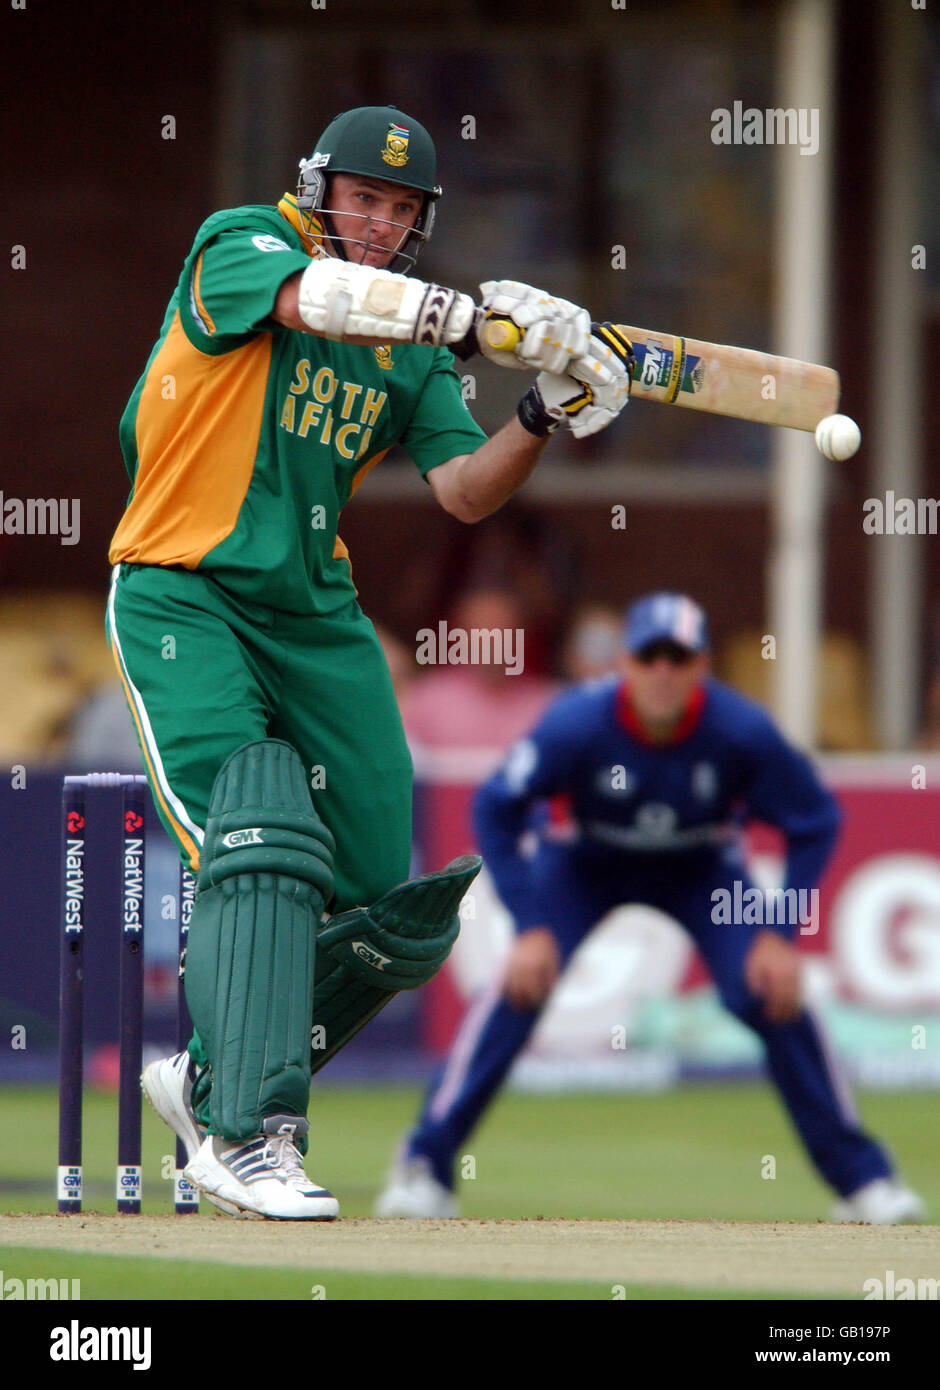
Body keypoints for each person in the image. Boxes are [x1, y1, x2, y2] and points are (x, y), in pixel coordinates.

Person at [107, 104, 633, 1220]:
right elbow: (317, 301)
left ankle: (204, 1085)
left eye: (402, 210)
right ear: (319, 187)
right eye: (365, 198)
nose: (381, 223)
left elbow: (461, 489)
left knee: (398, 906)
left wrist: (543, 408)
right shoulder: (243, 243)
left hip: (313, 612)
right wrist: (473, 316)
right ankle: (249, 1135)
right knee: (260, 824)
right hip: (183, 586)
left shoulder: (407, 344)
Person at [376, 592, 925, 1225]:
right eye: (649, 656)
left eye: (680, 657)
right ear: (627, 666)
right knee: (516, 987)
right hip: (587, 862)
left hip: (702, 867)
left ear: (703, 667)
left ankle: (865, 1182)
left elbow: (816, 819)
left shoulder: (740, 729)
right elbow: (496, 806)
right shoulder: (576, 724)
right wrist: (528, 926)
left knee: (772, 993)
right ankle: (425, 1164)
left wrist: (779, 934)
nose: (663, 671)